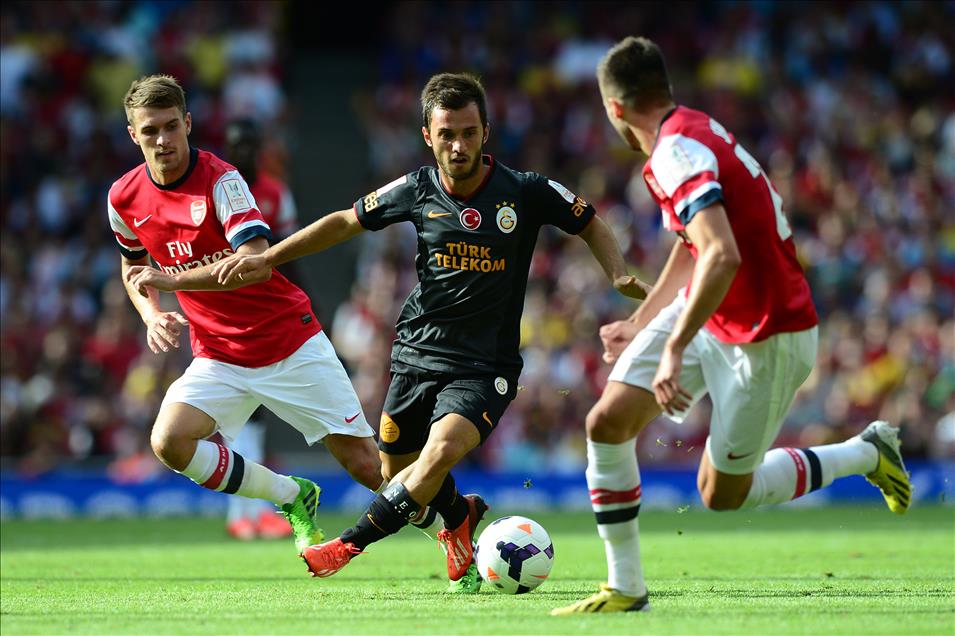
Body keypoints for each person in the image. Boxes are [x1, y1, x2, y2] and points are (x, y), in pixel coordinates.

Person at [213, 72, 651, 592]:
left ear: (485, 132)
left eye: (468, 133)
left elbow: (589, 220)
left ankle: (349, 544)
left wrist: (617, 274)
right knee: (395, 471)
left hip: (485, 366)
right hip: (416, 353)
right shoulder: (417, 188)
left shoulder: (525, 191)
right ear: (428, 135)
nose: (458, 145)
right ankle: (460, 515)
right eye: (447, 134)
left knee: (438, 454)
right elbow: (345, 221)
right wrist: (270, 258)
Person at [550, 36, 912, 615]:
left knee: (720, 495)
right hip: (716, 307)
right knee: (607, 422)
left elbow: (721, 255)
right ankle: (626, 587)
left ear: (613, 108)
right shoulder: (691, 131)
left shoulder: (675, 152)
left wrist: (673, 348)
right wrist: (642, 321)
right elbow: (693, 244)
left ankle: (866, 453)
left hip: (767, 333)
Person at [107, 74, 384, 554]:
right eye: (150, 130)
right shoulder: (123, 197)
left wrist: (171, 282)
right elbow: (133, 267)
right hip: (219, 354)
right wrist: (151, 314)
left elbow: (254, 262)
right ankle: (291, 495)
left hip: (285, 341)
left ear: (187, 124)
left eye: (171, 126)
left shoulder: (222, 180)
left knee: (365, 465)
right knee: (169, 441)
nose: (162, 139)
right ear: (134, 134)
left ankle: (455, 522)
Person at [221, 118, 303, 541]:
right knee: (243, 417)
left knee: (249, 417)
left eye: (250, 146)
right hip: (227, 319)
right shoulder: (217, 193)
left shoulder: (275, 193)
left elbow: (290, 254)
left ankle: (245, 514)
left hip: (267, 315)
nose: (245, 154)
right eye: (238, 146)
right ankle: (245, 514)